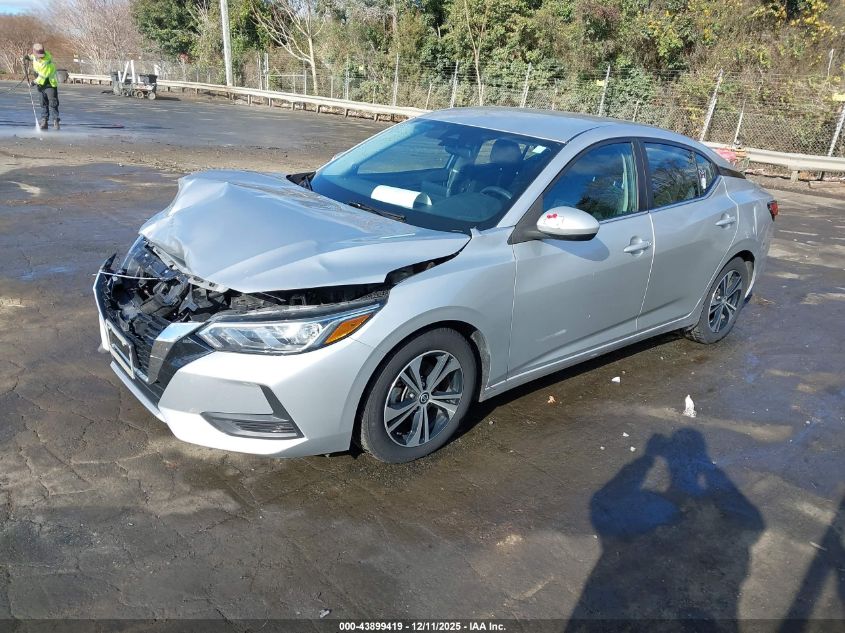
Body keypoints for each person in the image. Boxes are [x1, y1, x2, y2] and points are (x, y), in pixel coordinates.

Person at [23, 43, 60, 130]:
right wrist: (27, 57)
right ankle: (44, 121)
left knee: (53, 103)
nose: (40, 56)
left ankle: (55, 121)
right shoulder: (36, 56)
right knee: (43, 103)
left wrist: (32, 83)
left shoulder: (46, 61)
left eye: (41, 55)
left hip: (50, 84)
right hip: (41, 85)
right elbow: (33, 57)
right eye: (38, 55)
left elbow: (42, 76)